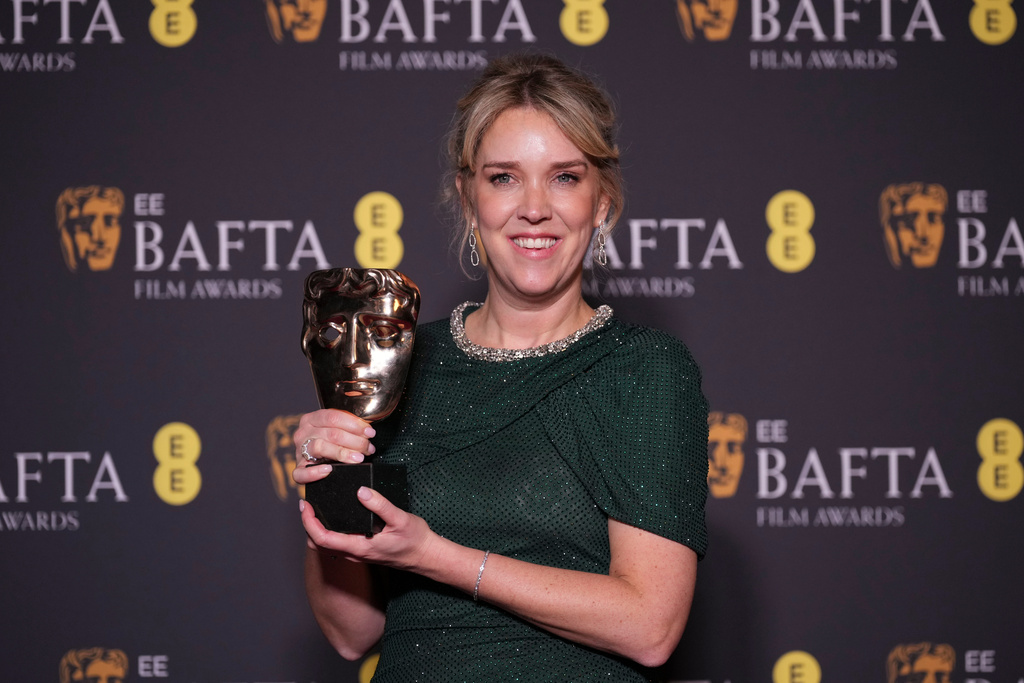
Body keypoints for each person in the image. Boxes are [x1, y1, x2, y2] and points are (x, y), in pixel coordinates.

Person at [292, 53, 709, 682]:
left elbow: (652, 627)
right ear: (468, 197)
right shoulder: (397, 361)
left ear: (602, 201)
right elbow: (351, 633)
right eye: (505, 178)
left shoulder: (644, 370)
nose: (535, 208)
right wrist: (331, 491)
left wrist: (435, 556)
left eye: (565, 177)